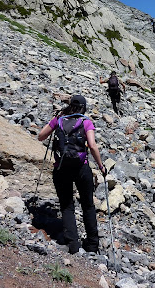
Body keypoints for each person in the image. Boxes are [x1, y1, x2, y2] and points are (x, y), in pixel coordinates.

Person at [38, 95, 106, 254]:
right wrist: (101, 166)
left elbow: (41, 136)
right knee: (88, 205)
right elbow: (92, 146)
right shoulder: (86, 122)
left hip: (61, 168)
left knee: (67, 206)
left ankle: (73, 245)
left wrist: (55, 120)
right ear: (84, 107)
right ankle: (92, 245)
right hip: (81, 168)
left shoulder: (59, 119)